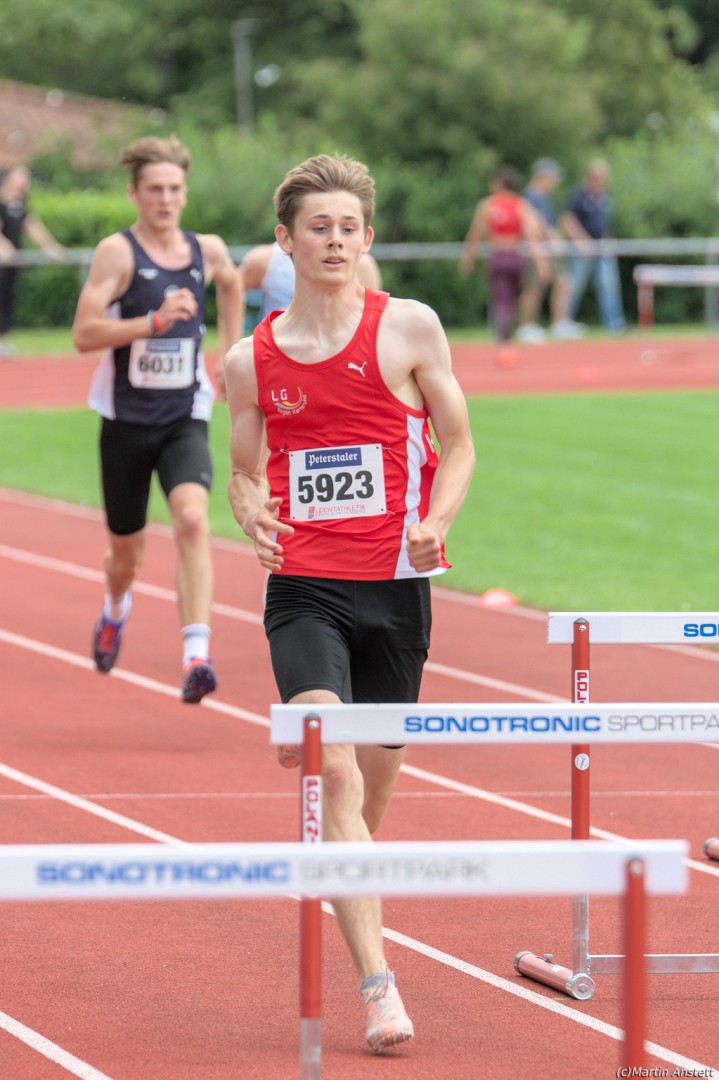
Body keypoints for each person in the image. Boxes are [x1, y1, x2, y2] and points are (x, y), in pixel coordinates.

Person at [224, 153, 475, 1052]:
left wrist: (435, 521)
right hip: (304, 589)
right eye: (317, 227)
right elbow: (244, 470)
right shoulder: (249, 361)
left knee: (368, 790)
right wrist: (250, 509)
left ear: (366, 239)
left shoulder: (408, 327)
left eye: (347, 228)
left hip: (398, 589)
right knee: (332, 768)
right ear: (285, 240)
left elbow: (459, 444)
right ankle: (378, 986)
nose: (334, 241)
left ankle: (337, 868)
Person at [72, 135, 243, 703]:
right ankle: (115, 606)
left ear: (185, 193)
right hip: (125, 421)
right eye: (154, 190)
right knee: (127, 557)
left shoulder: (206, 250)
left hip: (183, 415)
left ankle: (197, 655)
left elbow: (232, 284)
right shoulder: (117, 253)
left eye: (174, 189)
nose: (165, 199)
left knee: (192, 520)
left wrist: (229, 353)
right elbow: (83, 334)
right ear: (135, 194)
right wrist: (153, 322)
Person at [216, 242, 382, 393]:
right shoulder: (266, 259)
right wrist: (228, 351)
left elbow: (370, 328)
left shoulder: (362, 265)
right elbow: (231, 288)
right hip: (277, 368)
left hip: (336, 371)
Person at [459, 165, 549, 342]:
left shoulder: (487, 205)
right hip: (515, 257)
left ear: (499, 183)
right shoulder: (521, 205)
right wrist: (541, 264)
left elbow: (475, 234)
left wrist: (468, 259)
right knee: (512, 297)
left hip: (498, 256)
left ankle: (502, 334)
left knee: (501, 298)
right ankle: (508, 332)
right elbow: (532, 237)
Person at [0, 164, 66, 357]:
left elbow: (32, 225)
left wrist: (51, 246)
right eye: (20, 176)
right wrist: (3, 246)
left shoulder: (20, 202)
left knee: (8, 298)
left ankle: (3, 339)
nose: (24, 181)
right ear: (9, 178)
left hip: (13, 261)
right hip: (3, 259)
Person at [516, 158, 584, 343]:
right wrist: (551, 238)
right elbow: (536, 224)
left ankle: (559, 323)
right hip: (536, 249)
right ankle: (526, 326)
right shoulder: (530, 197)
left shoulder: (545, 198)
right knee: (533, 287)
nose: (555, 181)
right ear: (543, 176)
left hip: (548, 249)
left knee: (562, 282)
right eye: (553, 177)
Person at [559, 158, 627, 334]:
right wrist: (582, 242)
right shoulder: (579, 195)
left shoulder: (605, 196)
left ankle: (614, 324)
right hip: (582, 251)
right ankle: (564, 323)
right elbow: (568, 220)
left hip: (602, 249)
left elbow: (605, 224)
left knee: (609, 286)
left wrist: (610, 242)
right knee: (573, 287)